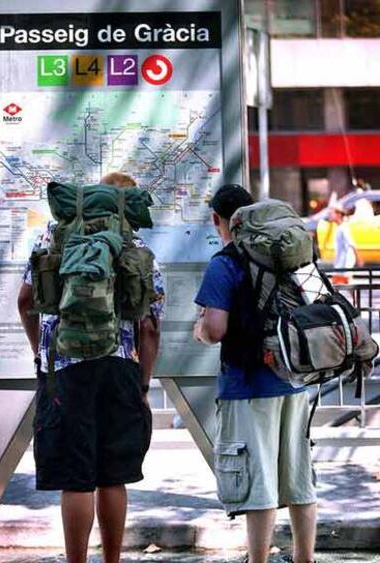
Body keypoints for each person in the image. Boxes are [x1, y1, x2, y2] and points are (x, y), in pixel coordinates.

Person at [18, 172, 164, 563]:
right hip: (119, 368)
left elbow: (25, 300)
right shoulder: (135, 242)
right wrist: (144, 383)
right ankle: (112, 560)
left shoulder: (54, 235)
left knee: (76, 477)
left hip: (63, 368)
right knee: (113, 475)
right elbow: (149, 326)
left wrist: (41, 353)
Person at [193, 185, 317, 563]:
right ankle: (304, 557)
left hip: (248, 385)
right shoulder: (283, 254)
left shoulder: (225, 263)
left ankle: (258, 560)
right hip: (294, 380)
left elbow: (214, 330)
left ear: (218, 219)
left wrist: (198, 328)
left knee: (258, 476)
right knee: (298, 473)